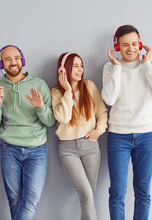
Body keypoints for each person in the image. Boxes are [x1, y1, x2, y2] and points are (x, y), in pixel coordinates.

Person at [101, 25, 152, 220]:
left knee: (142, 192)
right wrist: (117, 67)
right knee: (117, 192)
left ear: (140, 43)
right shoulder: (110, 67)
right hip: (118, 137)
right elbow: (109, 99)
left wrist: (146, 65)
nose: (131, 48)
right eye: (125, 45)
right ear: (117, 46)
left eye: (134, 43)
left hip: (146, 135)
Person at [0, 45, 55, 220]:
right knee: (14, 200)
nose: (13, 62)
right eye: (8, 59)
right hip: (9, 150)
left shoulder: (39, 84)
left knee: (30, 201)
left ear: (22, 60)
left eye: (16, 58)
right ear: (1, 63)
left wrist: (41, 107)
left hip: (36, 150)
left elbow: (50, 121)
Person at [51, 52, 108, 220]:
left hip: (90, 146)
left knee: (89, 195)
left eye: (81, 65)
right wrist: (68, 91)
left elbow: (102, 112)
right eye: (75, 66)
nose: (80, 69)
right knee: (86, 193)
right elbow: (63, 118)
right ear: (64, 69)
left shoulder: (89, 86)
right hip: (68, 149)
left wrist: (99, 130)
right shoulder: (56, 92)